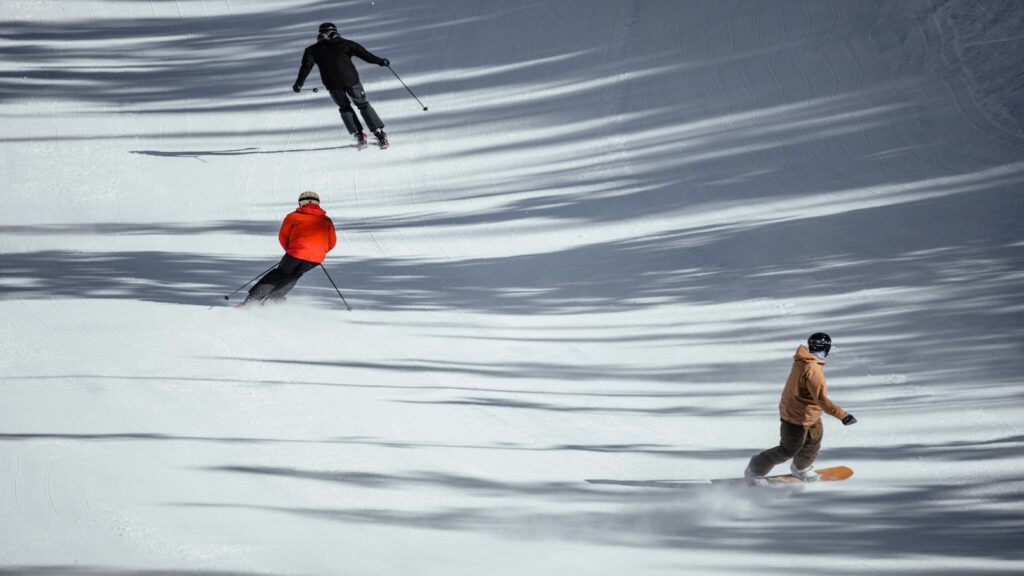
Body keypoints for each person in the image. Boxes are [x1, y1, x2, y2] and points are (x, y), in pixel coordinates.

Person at [744, 333, 857, 484]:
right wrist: (843, 415)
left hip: (810, 413)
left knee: (813, 441)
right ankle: (756, 468)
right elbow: (821, 399)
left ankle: (801, 468)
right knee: (789, 449)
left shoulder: (804, 361)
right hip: (796, 416)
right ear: (827, 349)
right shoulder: (812, 368)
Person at [293, 22, 391, 148]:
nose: (325, 35)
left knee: (351, 107)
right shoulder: (341, 45)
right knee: (357, 106)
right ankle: (370, 134)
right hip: (343, 83)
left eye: (324, 33)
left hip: (340, 84)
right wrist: (380, 61)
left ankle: (368, 133)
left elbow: (305, 68)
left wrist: (299, 83)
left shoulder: (316, 49)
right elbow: (366, 55)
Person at [241, 191, 337, 306]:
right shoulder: (327, 220)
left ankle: (252, 300)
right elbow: (332, 242)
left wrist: (292, 251)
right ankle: (273, 299)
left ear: (302, 203)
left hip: (295, 253)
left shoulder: (293, 216)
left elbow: (283, 237)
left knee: (280, 273)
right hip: (315, 258)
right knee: (294, 275)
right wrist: (317, 252)